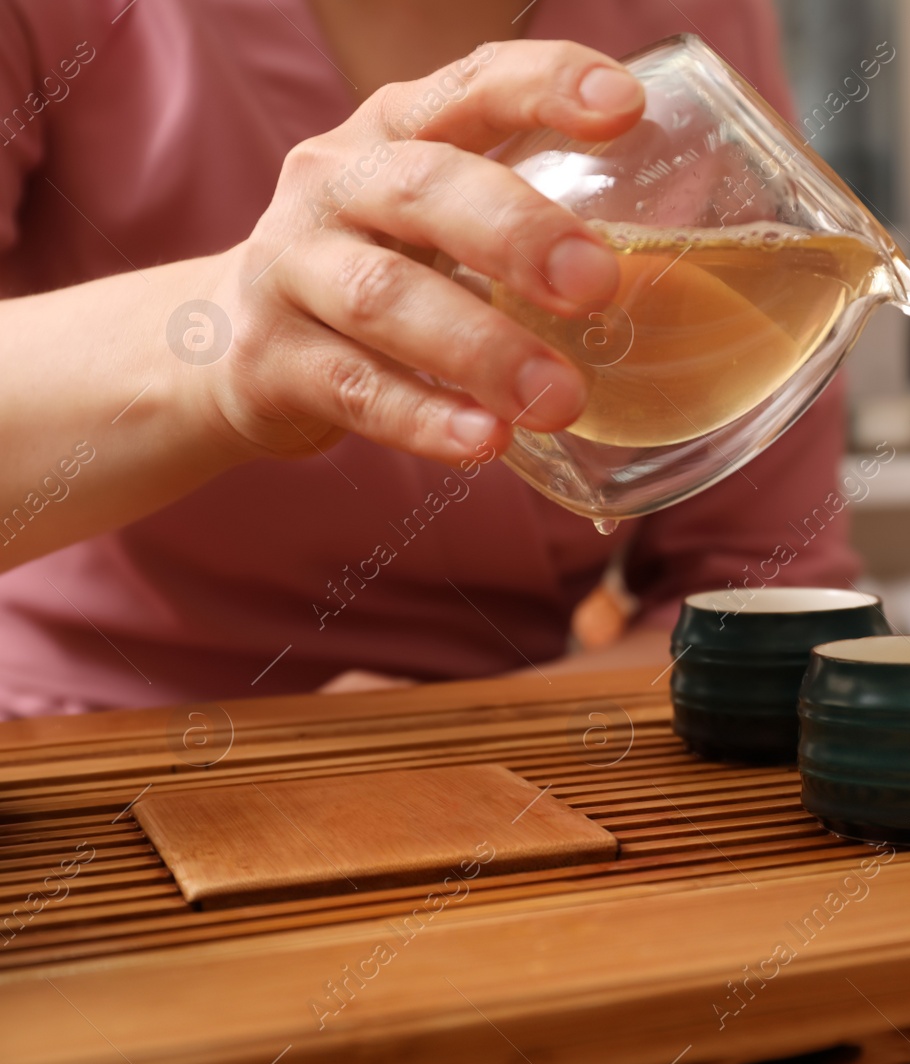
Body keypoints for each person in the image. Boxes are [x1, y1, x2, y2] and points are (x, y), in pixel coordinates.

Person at [0, 0, 856, 718]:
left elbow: (764, 590)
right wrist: (224, 342)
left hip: (513, 782)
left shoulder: (696, 23)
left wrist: (443, 734)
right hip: (83, 765)